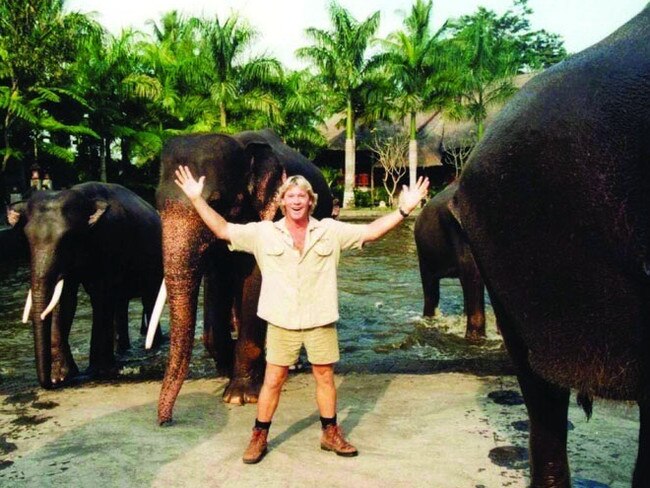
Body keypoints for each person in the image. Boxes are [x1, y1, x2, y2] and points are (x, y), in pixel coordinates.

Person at [173, 165, 429, 464]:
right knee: (273, 380)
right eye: (290, 196)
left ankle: (330, 432)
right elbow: (222, 229)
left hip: (319, 319)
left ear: (311, 201)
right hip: (281, 321)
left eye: (302, 196)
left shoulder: (330, 231)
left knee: (324, 376)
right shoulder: (264, 233)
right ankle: (259, 435)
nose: (296, 201)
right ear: (281, 202)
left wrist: (403, 210)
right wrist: (196, 199)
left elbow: (370, 232)